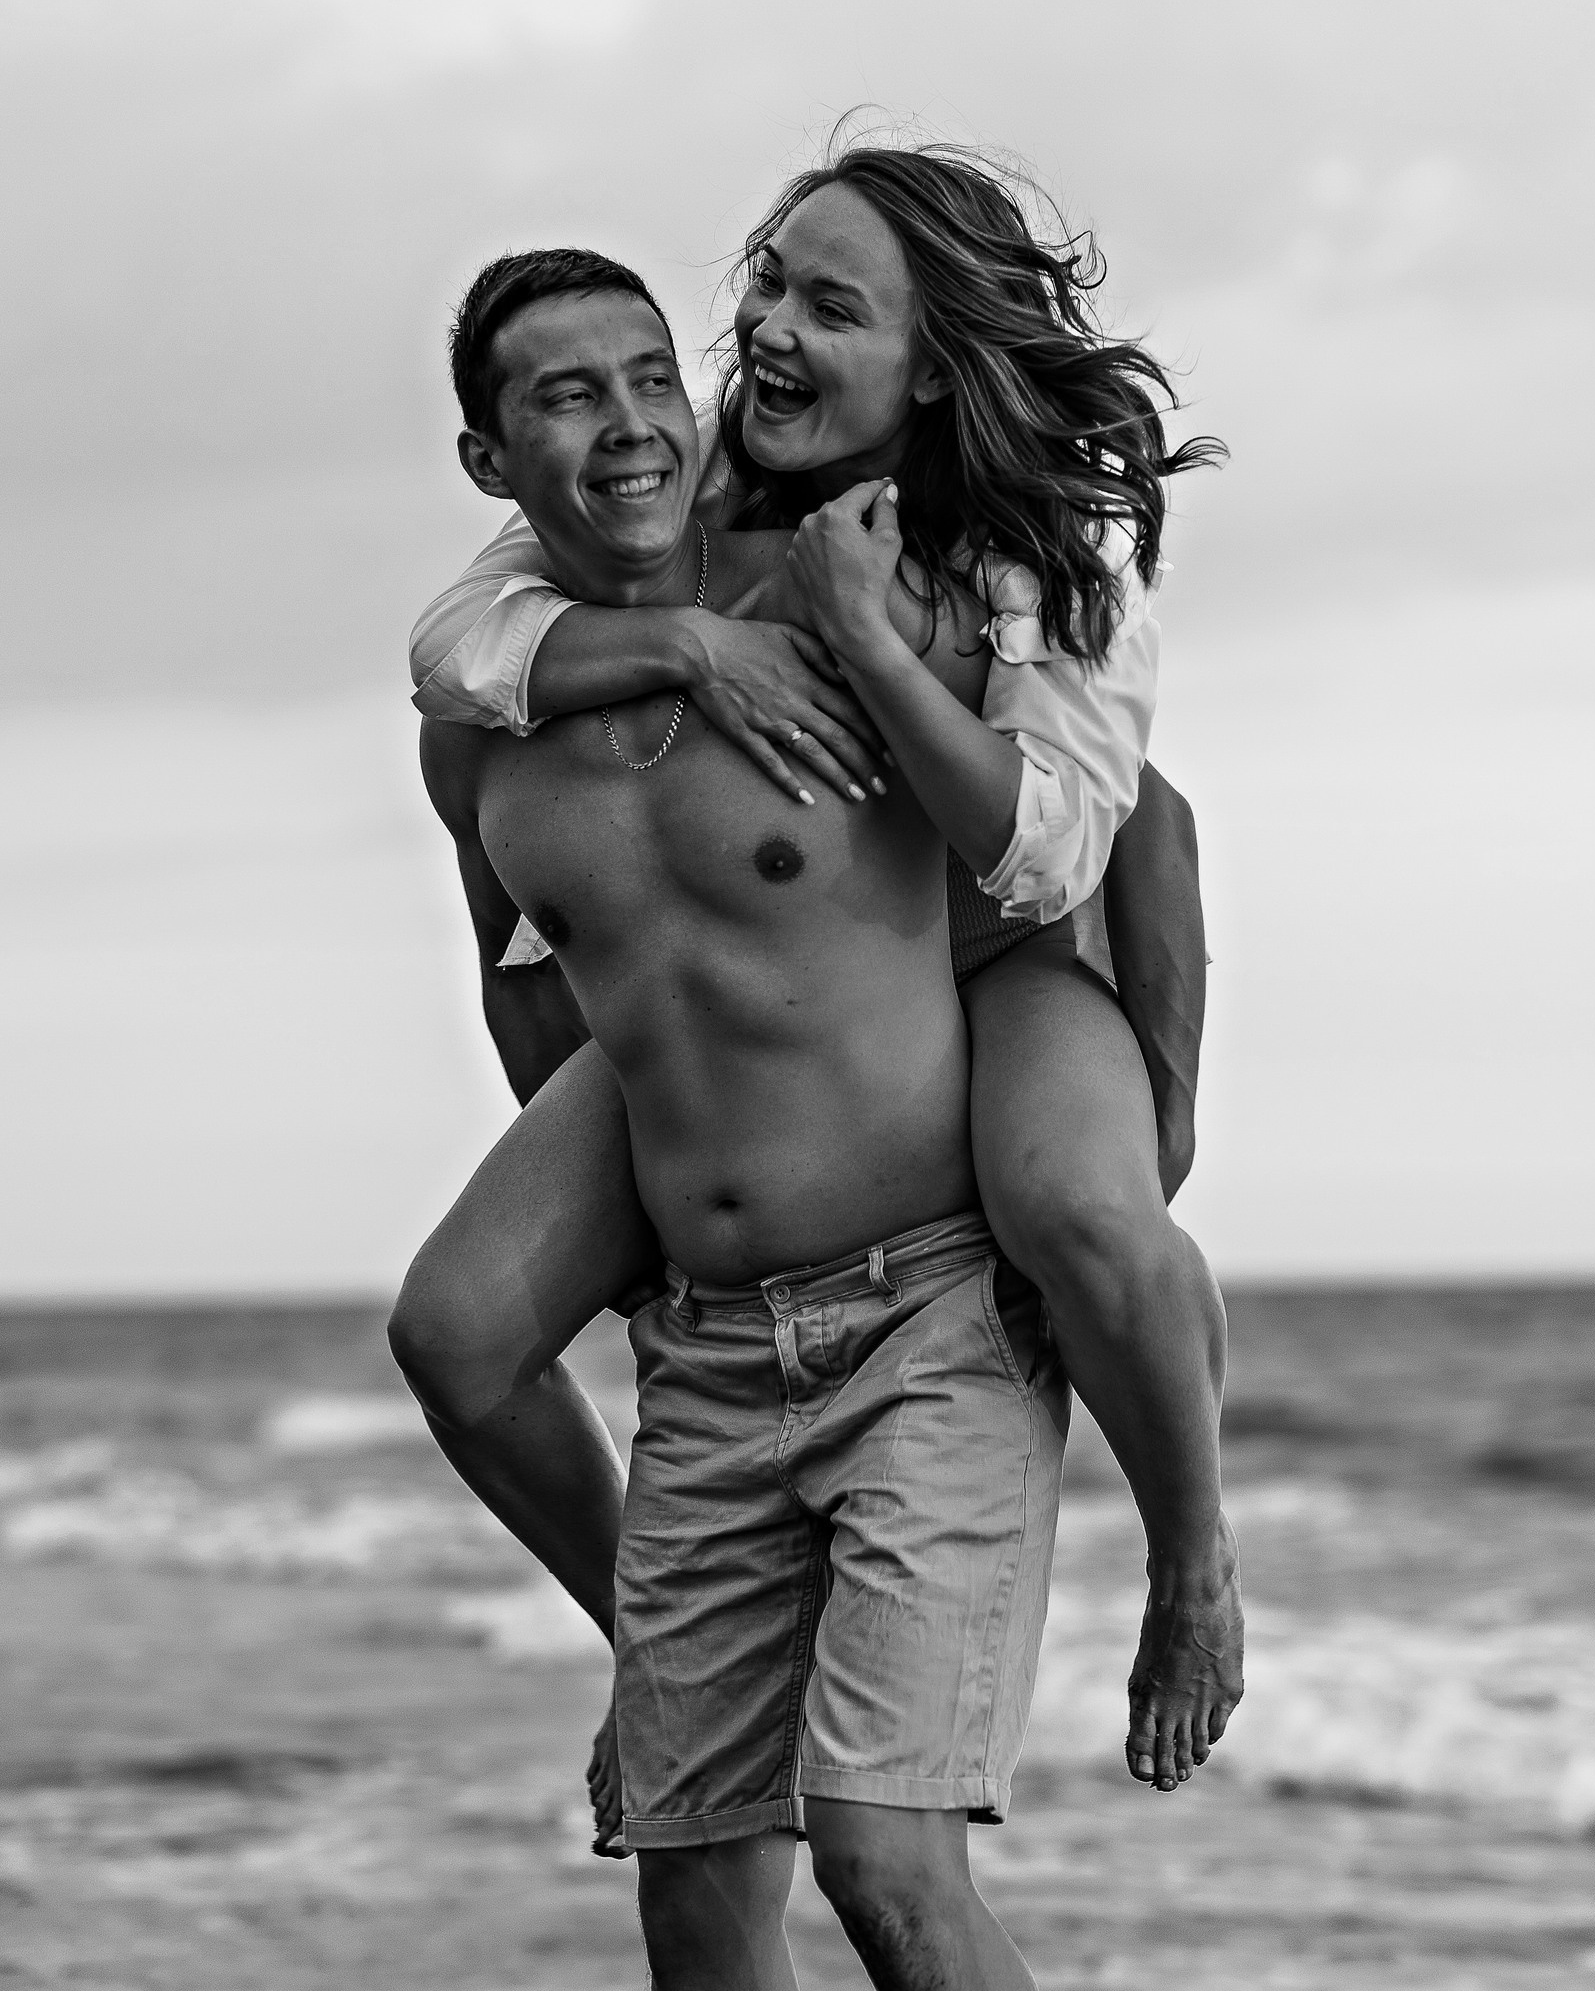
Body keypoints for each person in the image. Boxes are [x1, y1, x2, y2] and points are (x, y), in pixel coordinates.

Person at [392, 150, 1242, 1835]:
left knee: (1081, 1211)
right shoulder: (698, 473)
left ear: (927, 363)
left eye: (829, 304)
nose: (767, 329)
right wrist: (692, 643)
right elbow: (462, 651)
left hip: (1019, 947)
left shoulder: (1032, 552)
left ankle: (1196, 1568)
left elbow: (1105, 837)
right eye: (769, 282)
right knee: (456, 1327)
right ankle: (667, 1649)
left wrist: (1167, 1085)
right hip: (787, 979)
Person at [420, 259, 1071, 1985]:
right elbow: (522, 980)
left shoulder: (843, 601)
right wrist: (632, 1257)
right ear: (490, 461)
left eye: (653, 379)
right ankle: (657, 1641)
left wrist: (1133, 1119)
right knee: (696, 1902)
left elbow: (1111, 810)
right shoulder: (478, 727)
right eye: (568, 397)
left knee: (888, 1873)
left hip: (922, 1306)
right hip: (707, 1355)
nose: (631, 426)